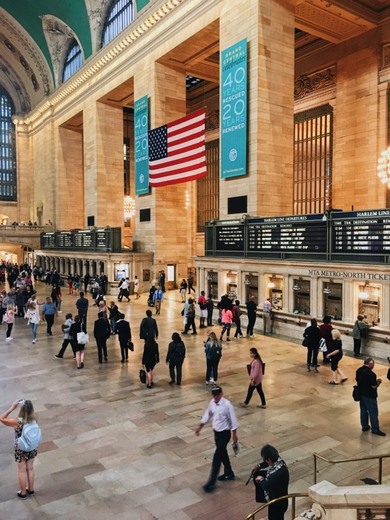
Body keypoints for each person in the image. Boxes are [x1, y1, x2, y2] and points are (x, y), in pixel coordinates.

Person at [195, 385, 239, 493]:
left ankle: (211, 482)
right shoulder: (212, 403)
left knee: (217, 457)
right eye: (213, 395)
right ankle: (229, 473)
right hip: (217, 434)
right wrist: (200, 426)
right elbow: (208, 414)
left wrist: (234, 435)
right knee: (222, 453)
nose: (215, 398)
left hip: (225, 434)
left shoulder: (227, 405)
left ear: (221, 394)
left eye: (217, 395)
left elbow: (233, 420)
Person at [0, 399, 39, 499]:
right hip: (32, 448)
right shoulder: (34, 419)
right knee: (30, 469)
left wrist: (12, 407)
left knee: (22, 471)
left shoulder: (17, 422)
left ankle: (23, 493)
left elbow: (2, 418)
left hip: (20, 449)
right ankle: (31, 490)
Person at [253, 444, 289, 519]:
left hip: (277, 503)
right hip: (280, 500)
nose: (266, 461)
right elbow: (267, 463)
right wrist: (259, 466)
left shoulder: (278, 474)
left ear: (269, 459)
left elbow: (266, 486)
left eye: (265, 459)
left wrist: (261, 479)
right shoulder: (279, 461)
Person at [356, 357, 386, 436]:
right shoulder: (371, 374)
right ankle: (375, 429)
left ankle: (365, 426)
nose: (373, 366)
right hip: (370, 396)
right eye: (373, 364)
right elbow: (373, 386)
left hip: (361, 394)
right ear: (370, 364)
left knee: (363, 410)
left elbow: (357, 380)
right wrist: (378, 382)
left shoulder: (358, 370)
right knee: (373, 412)